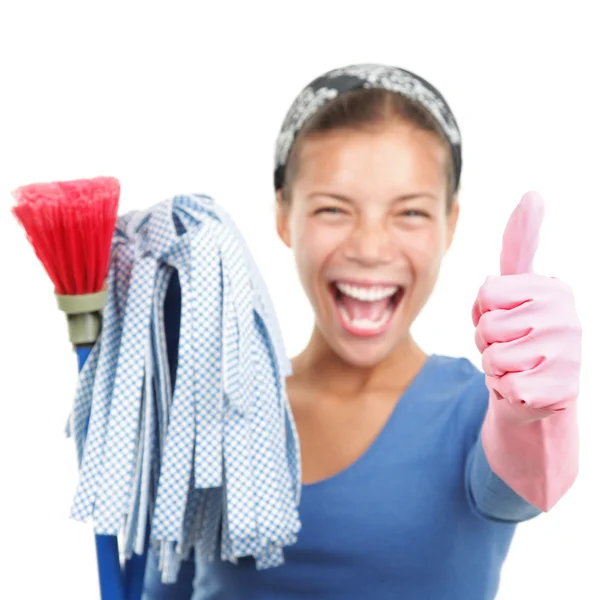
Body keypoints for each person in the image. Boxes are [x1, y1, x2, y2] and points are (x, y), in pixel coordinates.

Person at [143, 63, 582, 599]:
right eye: (333, 208)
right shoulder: (216, 407)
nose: (370, 249)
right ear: (284, 215)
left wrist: (535, 416)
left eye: (411, 213)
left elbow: (527, 485)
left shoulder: (473, 409)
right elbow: (159, 586)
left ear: (451, 224)